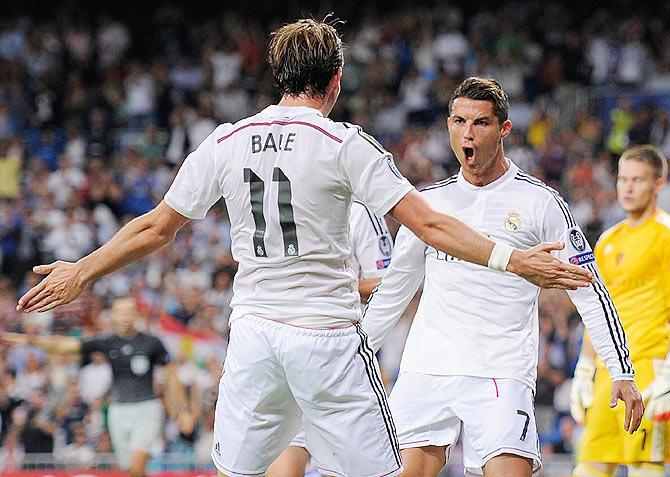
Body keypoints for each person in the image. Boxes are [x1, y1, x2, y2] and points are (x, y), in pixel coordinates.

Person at [15, 19, 593, 477]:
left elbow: (156, 228)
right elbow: (428, 225)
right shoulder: (345, 143)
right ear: (337, 79)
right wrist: (514, 260)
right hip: (326, 337)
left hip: (254, 336)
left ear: (278, 76)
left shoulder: (226, 140)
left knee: (241, 470)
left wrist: (83, 271)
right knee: (385, 472)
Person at [361, 77, 644, 477]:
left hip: (500, 371)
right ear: (448, 126)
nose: (467, 133)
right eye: (459, 121)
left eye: (480, 123)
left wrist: (621, 370)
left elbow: (589, 288)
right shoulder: (431, 205)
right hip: (428, 367)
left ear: (504, 129)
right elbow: (394, 290)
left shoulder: (539, 203)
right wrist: (356, 354)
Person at [267, 200, 394, 476]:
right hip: (286, 348)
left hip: (340, 357)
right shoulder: (283, 203)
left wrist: (332, 287)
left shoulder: (361, 211)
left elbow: (389, 282)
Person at [571, 145, 670, 477]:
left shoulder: (665, 236)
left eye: (638, 180)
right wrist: (585, 368)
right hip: (609, 373)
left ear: (659, 184)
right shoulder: (607, 240)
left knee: (644, 468)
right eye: (623, 179)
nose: (627, 188)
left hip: (649, 369)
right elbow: (598, 309)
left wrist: (669, 375)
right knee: (589, 468)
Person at [3, 297, 183, 477]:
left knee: (137, 465)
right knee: (131, 469)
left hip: (147, 408)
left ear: (136, 313)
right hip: (119, 410)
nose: (125, 316)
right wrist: (28, 340)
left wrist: (183, 408)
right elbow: (65, 346)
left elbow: (171, 374)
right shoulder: (107, 342)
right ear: (113, 316)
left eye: (129, 311)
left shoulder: (151, 343)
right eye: (120, 312)